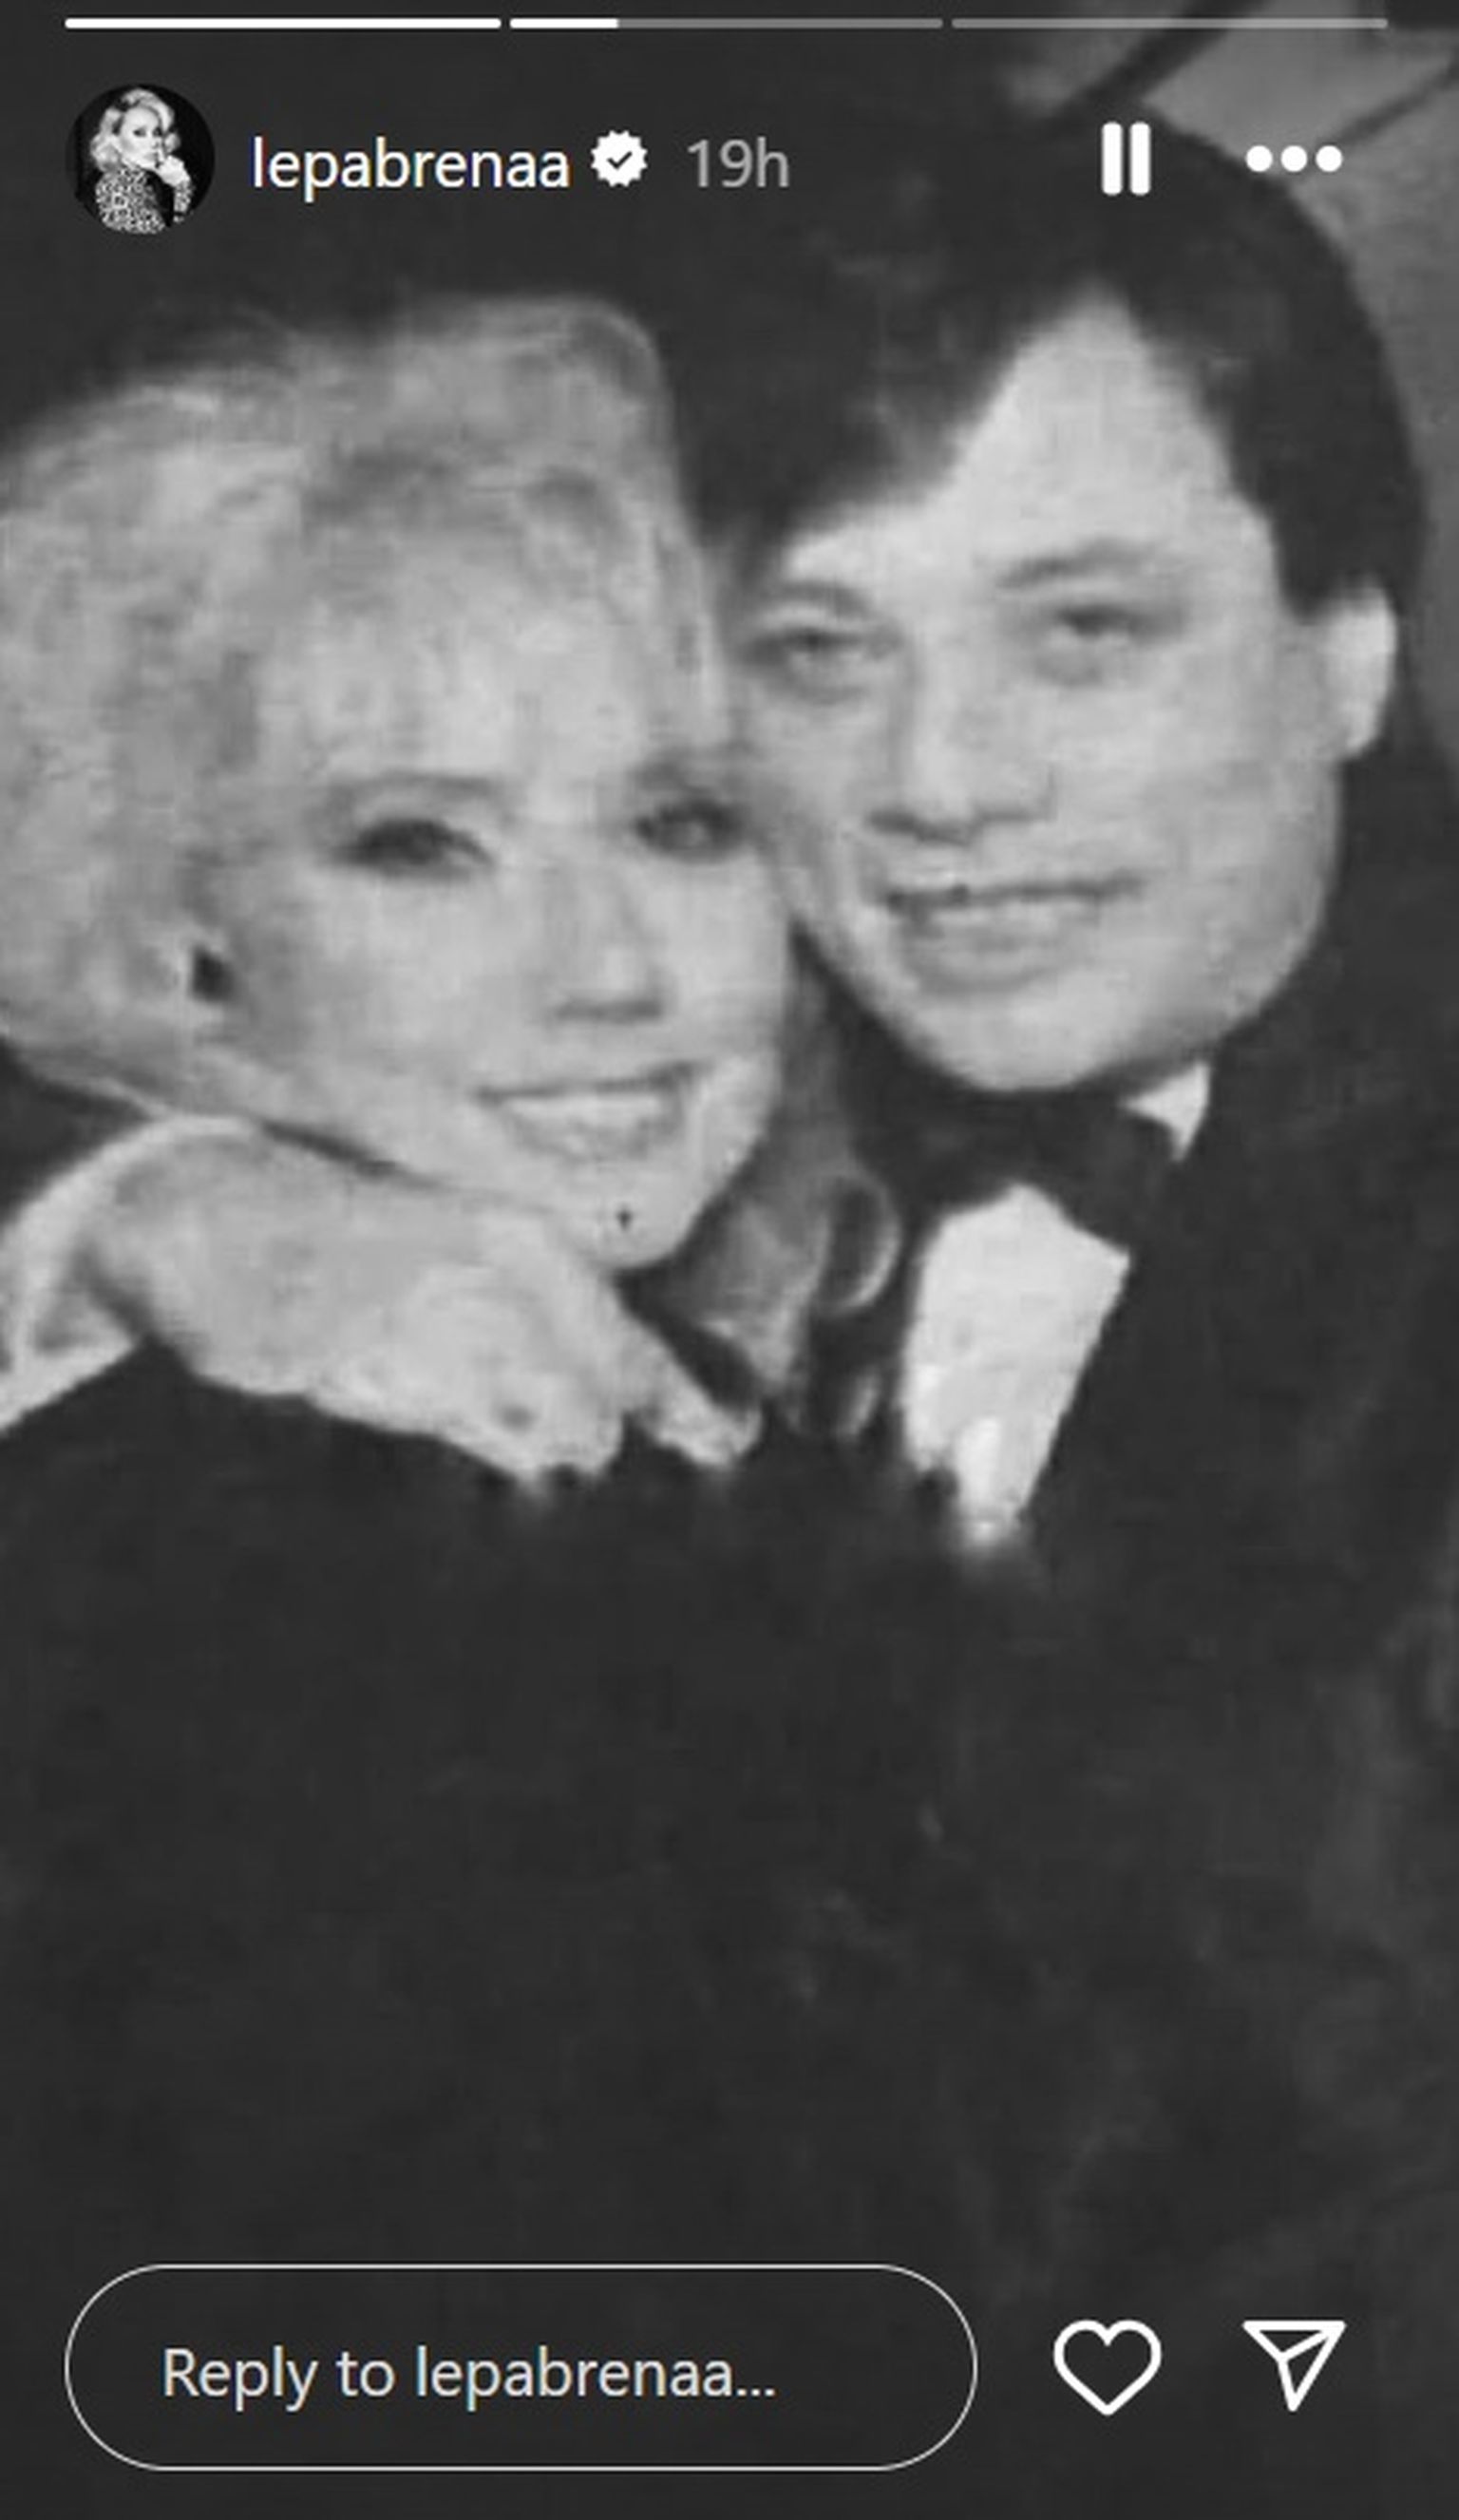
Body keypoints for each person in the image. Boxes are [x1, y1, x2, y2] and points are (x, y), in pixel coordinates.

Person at [81, 86, 193, 234]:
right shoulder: (117, 188)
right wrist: (182, 187)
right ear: (115, 141)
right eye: (139, 133)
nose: (154, 142)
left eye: (157, 132)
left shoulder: (148, 180)